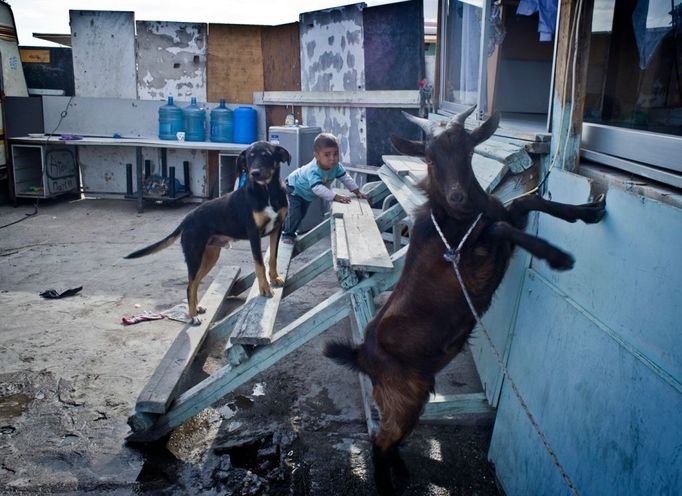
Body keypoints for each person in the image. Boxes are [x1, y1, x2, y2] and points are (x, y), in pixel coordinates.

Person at [281, 133, 366, 244]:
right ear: (317, 155)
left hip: (306, 194)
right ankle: (287, 234)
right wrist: (335, 197)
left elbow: (345, 178)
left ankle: (286, 226)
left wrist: (357, 192)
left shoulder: (336, 166)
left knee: (301, 214)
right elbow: (317, 188)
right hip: (294, 188)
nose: (332, 158)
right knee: (296, 213)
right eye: (327, 155)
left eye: (335, 154)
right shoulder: (313, 170)